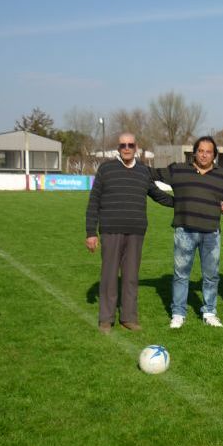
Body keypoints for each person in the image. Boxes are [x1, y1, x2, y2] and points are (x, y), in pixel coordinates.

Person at [85, 132, 174, 334]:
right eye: (123, 145)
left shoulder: (143, 171)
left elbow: (158, 196)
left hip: (136, 232)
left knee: (131, 277)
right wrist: (91, 232)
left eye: (130, 145)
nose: (126, 148)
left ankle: (129, 317)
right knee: (108, 276)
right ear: (118, 148)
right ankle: (106, 319)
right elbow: (94, 201)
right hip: (110, 231)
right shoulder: (106, 169)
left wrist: (184, 203)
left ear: (136, 147)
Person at [152, 136, 223, 329]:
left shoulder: (222, 176)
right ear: (194, 152)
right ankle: (178, 313)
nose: (204, 154)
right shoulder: (179, 170)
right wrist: (173, 202)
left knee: (211, 275)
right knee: (181, 274)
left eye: (208, 151)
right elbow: (151, 175)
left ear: (214, 155)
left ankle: (209, 312)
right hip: (184, 231)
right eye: (200, 151)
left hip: (211, 234)